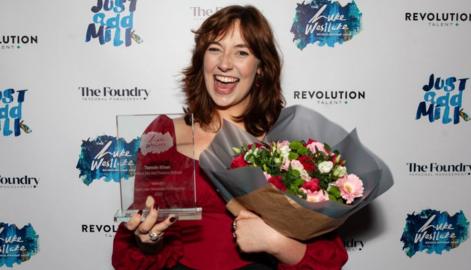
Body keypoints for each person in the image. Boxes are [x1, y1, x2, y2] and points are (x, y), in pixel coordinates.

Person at [112, 5, 348, 270]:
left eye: (242, 52)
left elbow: (327, 258)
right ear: (202, 59)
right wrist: (148, 239)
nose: (224, 63)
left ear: (260, 67)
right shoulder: (163, 136)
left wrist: (275, 242)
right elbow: (139, 236)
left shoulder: (286, 144)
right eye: (215, 49)